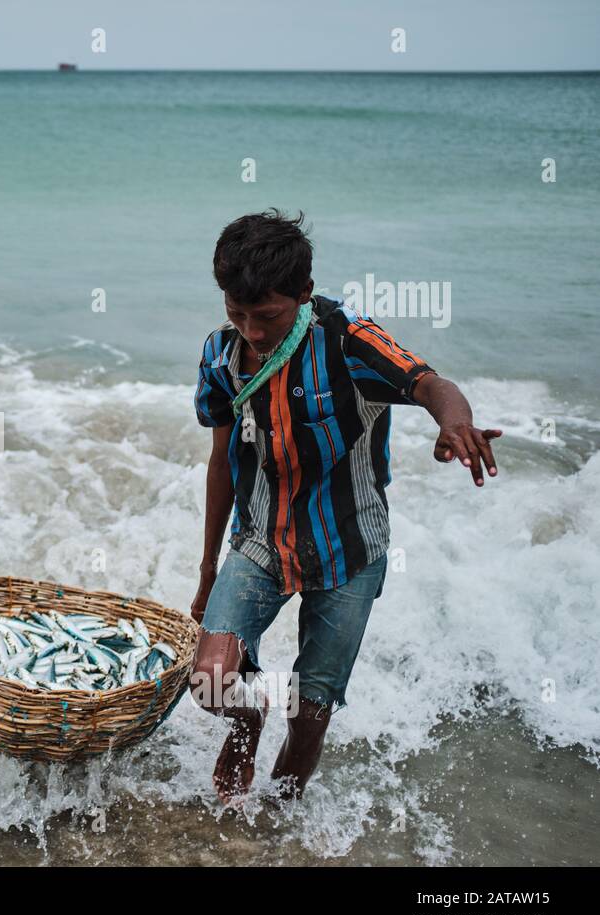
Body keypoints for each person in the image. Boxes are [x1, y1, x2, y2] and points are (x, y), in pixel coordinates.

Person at [190, 210, 500, 806]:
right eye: (237, 313)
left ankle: (281, 825)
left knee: (310, 712)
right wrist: (207, 569)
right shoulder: (221, 356)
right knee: (209, 679)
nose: (252, 331)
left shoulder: (348, 342)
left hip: (349, 550)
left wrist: (455, 424)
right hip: (260, 540)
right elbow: (222, 460)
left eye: (269, 316)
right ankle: (247, 720)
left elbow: (429, 384)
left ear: (304, 295)